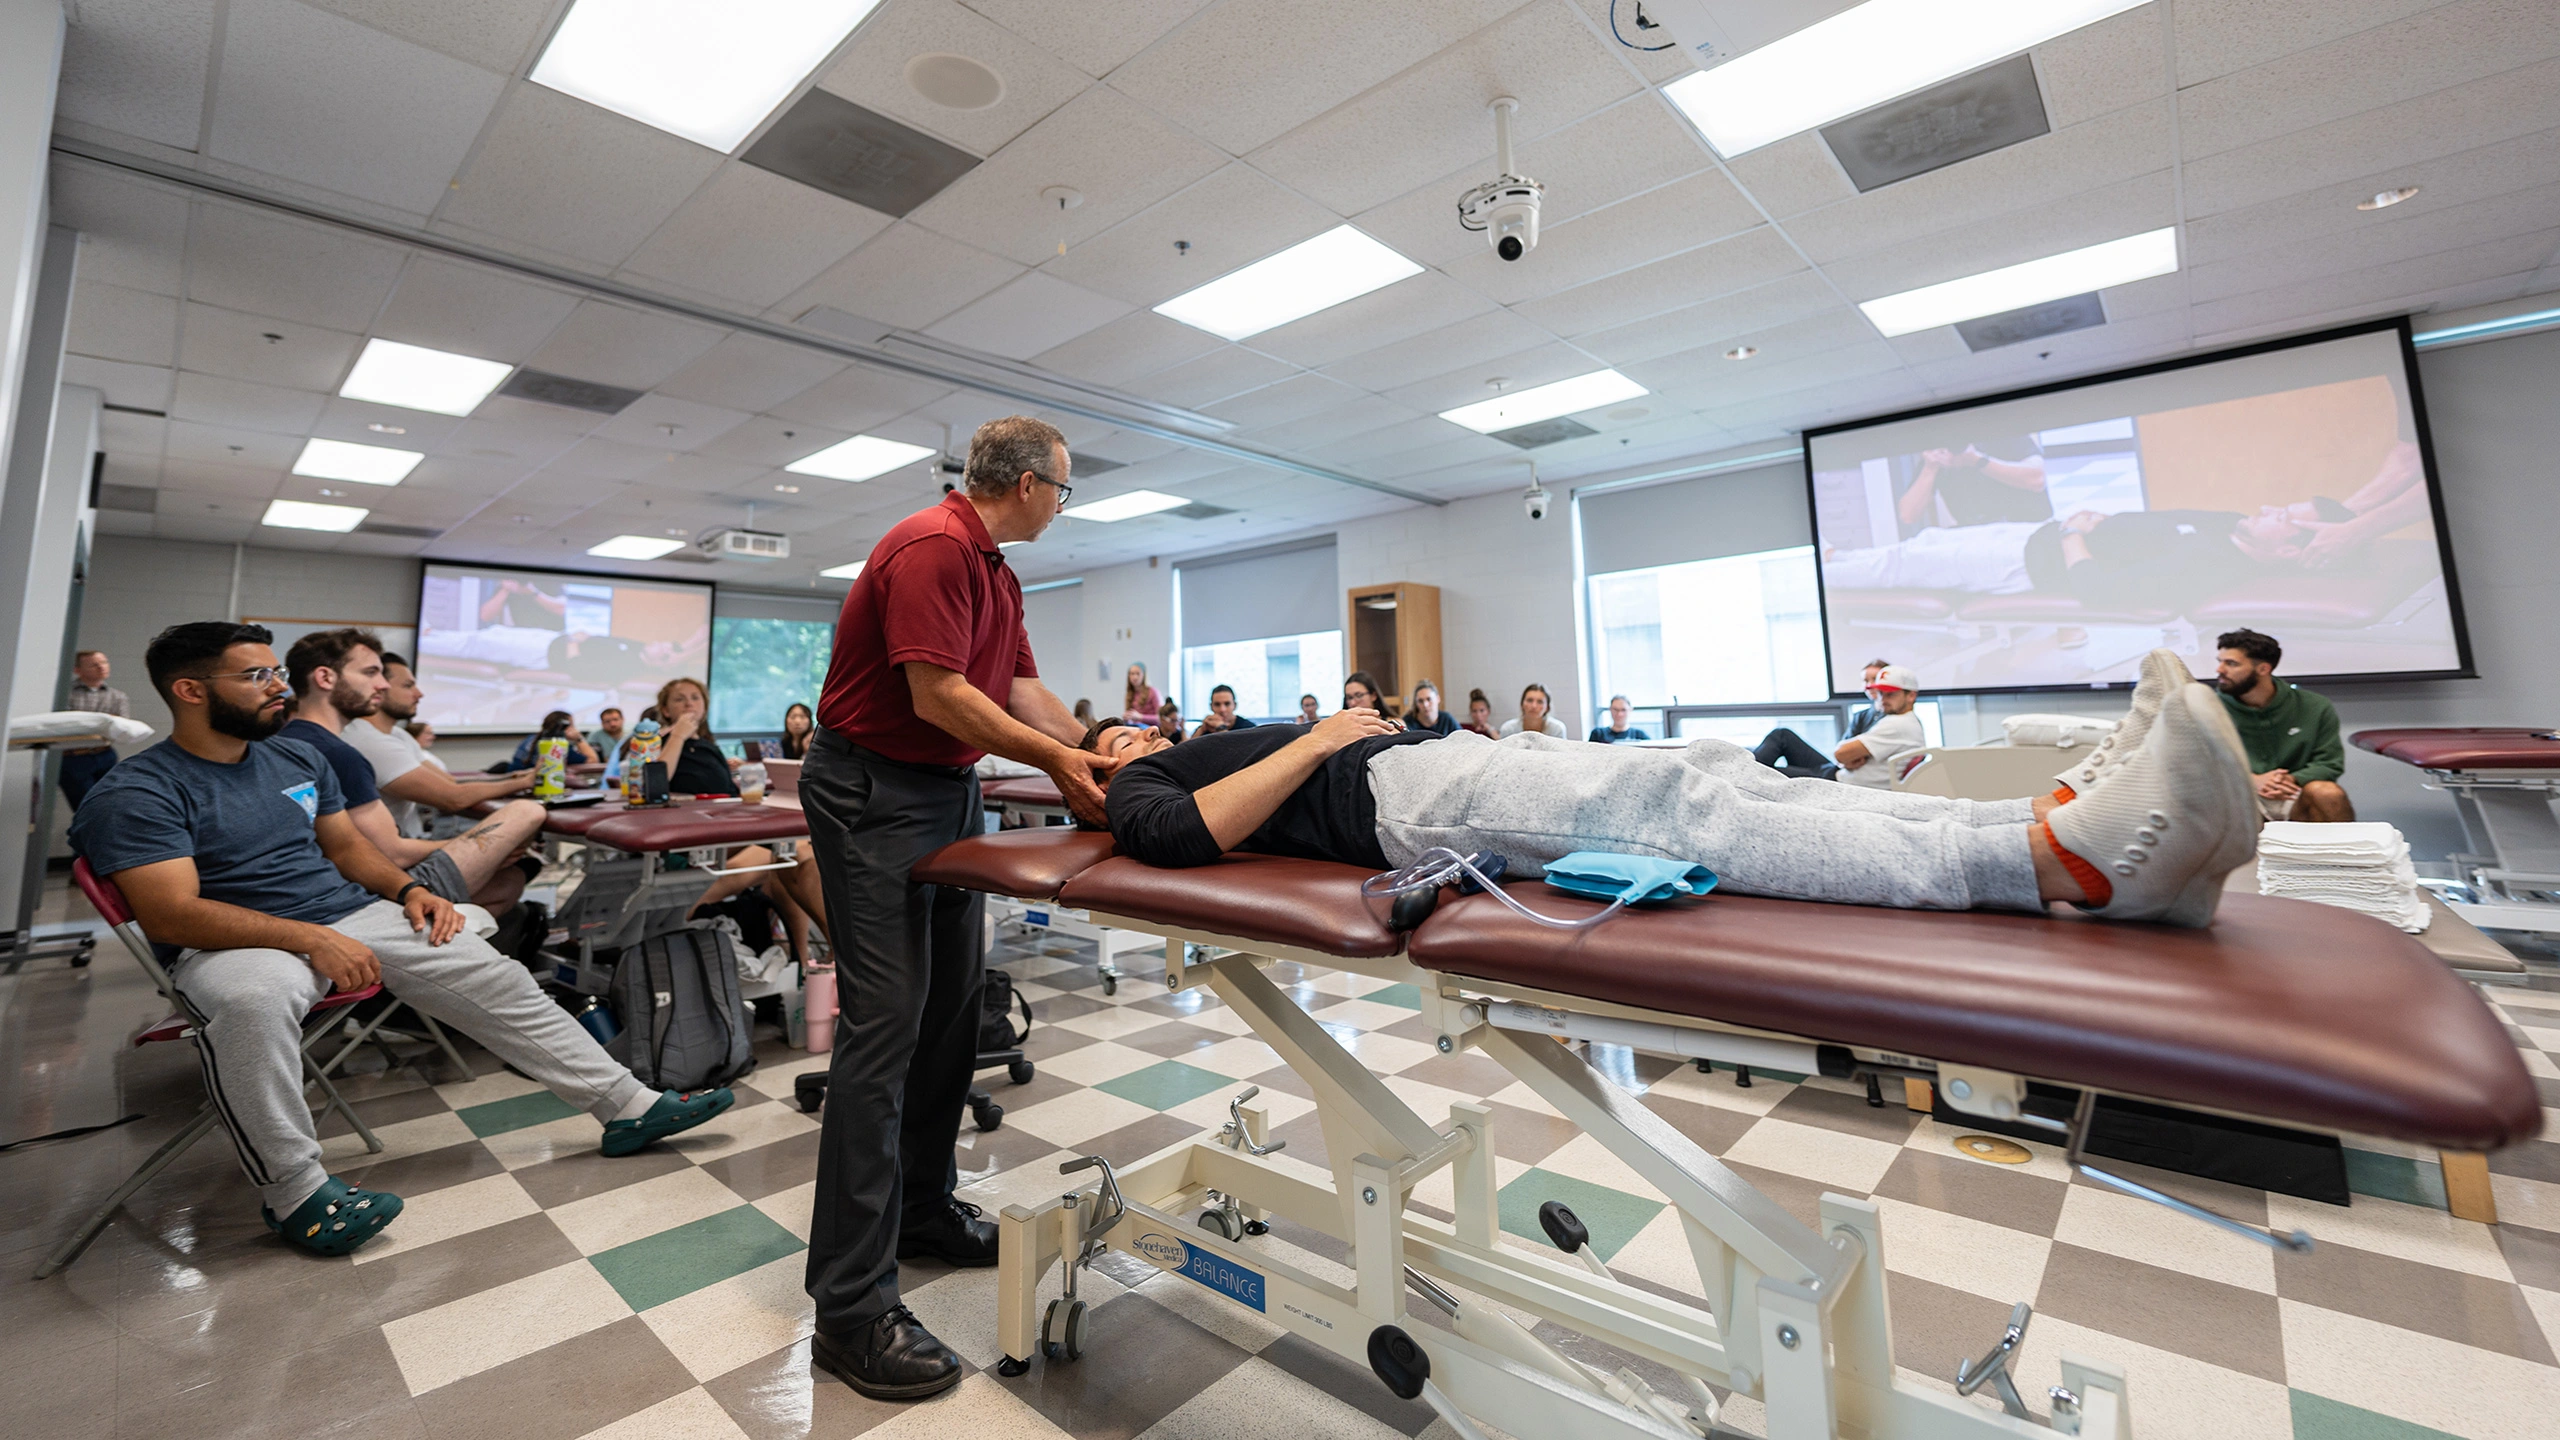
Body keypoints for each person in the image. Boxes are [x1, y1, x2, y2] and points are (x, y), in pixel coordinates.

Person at [69, 622, 734, 1256]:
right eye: (255, 676)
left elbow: (346, 848)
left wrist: (411, 892)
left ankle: (627, 1106)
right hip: (229, 943)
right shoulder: (139, 791)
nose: (278, 686)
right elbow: (173, 916)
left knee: (487, 968)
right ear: (191, 691)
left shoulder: (294, 756)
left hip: (345, 914)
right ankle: (296, 1195)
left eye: (276, 672)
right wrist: (309, 940)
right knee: (252, 1005)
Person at [1083, 646, 2255, 931]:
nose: (1134, 734)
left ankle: (2034, 818)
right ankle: (2060, 867)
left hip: (1434, 767)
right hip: (1411, 807)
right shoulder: (1140, 794)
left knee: (1714, 773)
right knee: (1688, 816)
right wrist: (1319, 735)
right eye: (1112, 740)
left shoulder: (1178, 747)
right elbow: (1186, 838)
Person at [801, 416, 1115, 1401]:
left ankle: (924, 1211)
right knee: (883, 1033)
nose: (1063, 505)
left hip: (943, 792)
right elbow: (937, 695)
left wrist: (1101, 746)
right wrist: (1060, 763)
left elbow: (1018, 689)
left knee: (947, 1019)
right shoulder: (934, 547)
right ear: (1026, 483)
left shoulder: (998, 572)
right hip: (871, 792)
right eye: (1063, 489)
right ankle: (849, 1308)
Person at [280, 631, 546, 917]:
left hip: (332, 881)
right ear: (325, 678)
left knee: (508, 882)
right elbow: (392, 854)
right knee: (527, 812)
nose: (382, 685)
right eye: (371, 673)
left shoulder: (284, 741)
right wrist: (477, 845)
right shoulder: (340, 755)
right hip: (377, 886)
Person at [340, 652, 536, 839]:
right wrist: (522, 783)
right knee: (513, 848)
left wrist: (511, 777)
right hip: (394, 854)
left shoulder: (398, 735)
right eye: (408, 686)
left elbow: (449, 782)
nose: (419, 694)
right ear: (379, 688)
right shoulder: (369, 741)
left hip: (410, 838)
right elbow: (453, 798)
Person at [2215, 628, 2352, 822]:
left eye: (2231, 663)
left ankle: (2345, 851)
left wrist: (2289, 779)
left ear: (2263, 669)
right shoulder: (2207, 709)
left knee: (2328, 793)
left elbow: (2329, 763)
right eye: (2219, 662)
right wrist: (2251, 780)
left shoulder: (2314, 706)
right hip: (2239, 793)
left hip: (2293, 792)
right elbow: (2197, 766)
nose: (2219, 670)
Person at [1755, 660, 1890, 778]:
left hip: (1839, 778)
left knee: (1767, 773)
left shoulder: (1894, 722)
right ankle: (1743, 771)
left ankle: (1743, 775)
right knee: (1781, 735)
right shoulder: (1861, 715)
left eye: (1875, 680)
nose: (1870, 685)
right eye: (1866, 681)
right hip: (1834, 770)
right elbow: (1841, 753)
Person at [1895, 438, 2051, 531]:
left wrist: (1976, 460)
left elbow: (2037, 480)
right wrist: (1930, 467)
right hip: (1978, 540)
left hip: (2027, 531)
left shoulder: (2004, 431)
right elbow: (1908, 515)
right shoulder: (1938, 455)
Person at [1830, 666, 1928, 789]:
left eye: (1891, 694)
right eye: (1880, 693)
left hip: (1842, 784)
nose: (1883, 699)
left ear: (1911, 696)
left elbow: (1840, 754)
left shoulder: (1896, 724)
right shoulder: (1909, 721)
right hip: (1845, 778)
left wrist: (1849, 757)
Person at [59, 649, 130, 809]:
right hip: (73, 758)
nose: (101, 667)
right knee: (86, 807)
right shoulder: (65, 694)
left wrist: (87, 723)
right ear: (78, 670)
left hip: (105, 754)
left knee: (110, 804)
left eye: (104, 662)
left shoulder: (118, 696)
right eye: (94, 665)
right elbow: (66, 726)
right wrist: (105, 721)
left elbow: (122, 727)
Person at [505, 710, 602, 771]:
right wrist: (579, 738)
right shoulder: (558, 745)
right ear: (565, 727)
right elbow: (593, 761)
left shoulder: (531, 738)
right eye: (572, 725)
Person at [1499, 683, 1568, 738]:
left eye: (1540, 702)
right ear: (1522, 704)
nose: (1534, 706)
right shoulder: (1508, 729)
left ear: (1547, 707)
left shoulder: (1556, 729)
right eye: (1529, 700)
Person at [1122, 662, 1160, 727]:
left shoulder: (1153, 692)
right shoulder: (1130, 694)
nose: (1135, 677)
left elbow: (1160, 718)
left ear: (1143, 675)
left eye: (1138, 674)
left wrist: (1140, 717)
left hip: (1150, 729)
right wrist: (1127, 717)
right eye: (1132, 674)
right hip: (1135, 728)